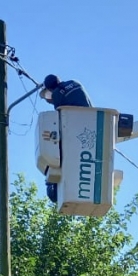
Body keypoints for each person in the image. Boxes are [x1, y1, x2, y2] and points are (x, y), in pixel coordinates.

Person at [41, 74, 92, 204]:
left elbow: (60, 116)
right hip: (91, 119)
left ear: (50, 89)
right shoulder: (75, 81)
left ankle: (56, 187)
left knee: (60, 152)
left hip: (75, 126)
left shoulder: (57, 94)